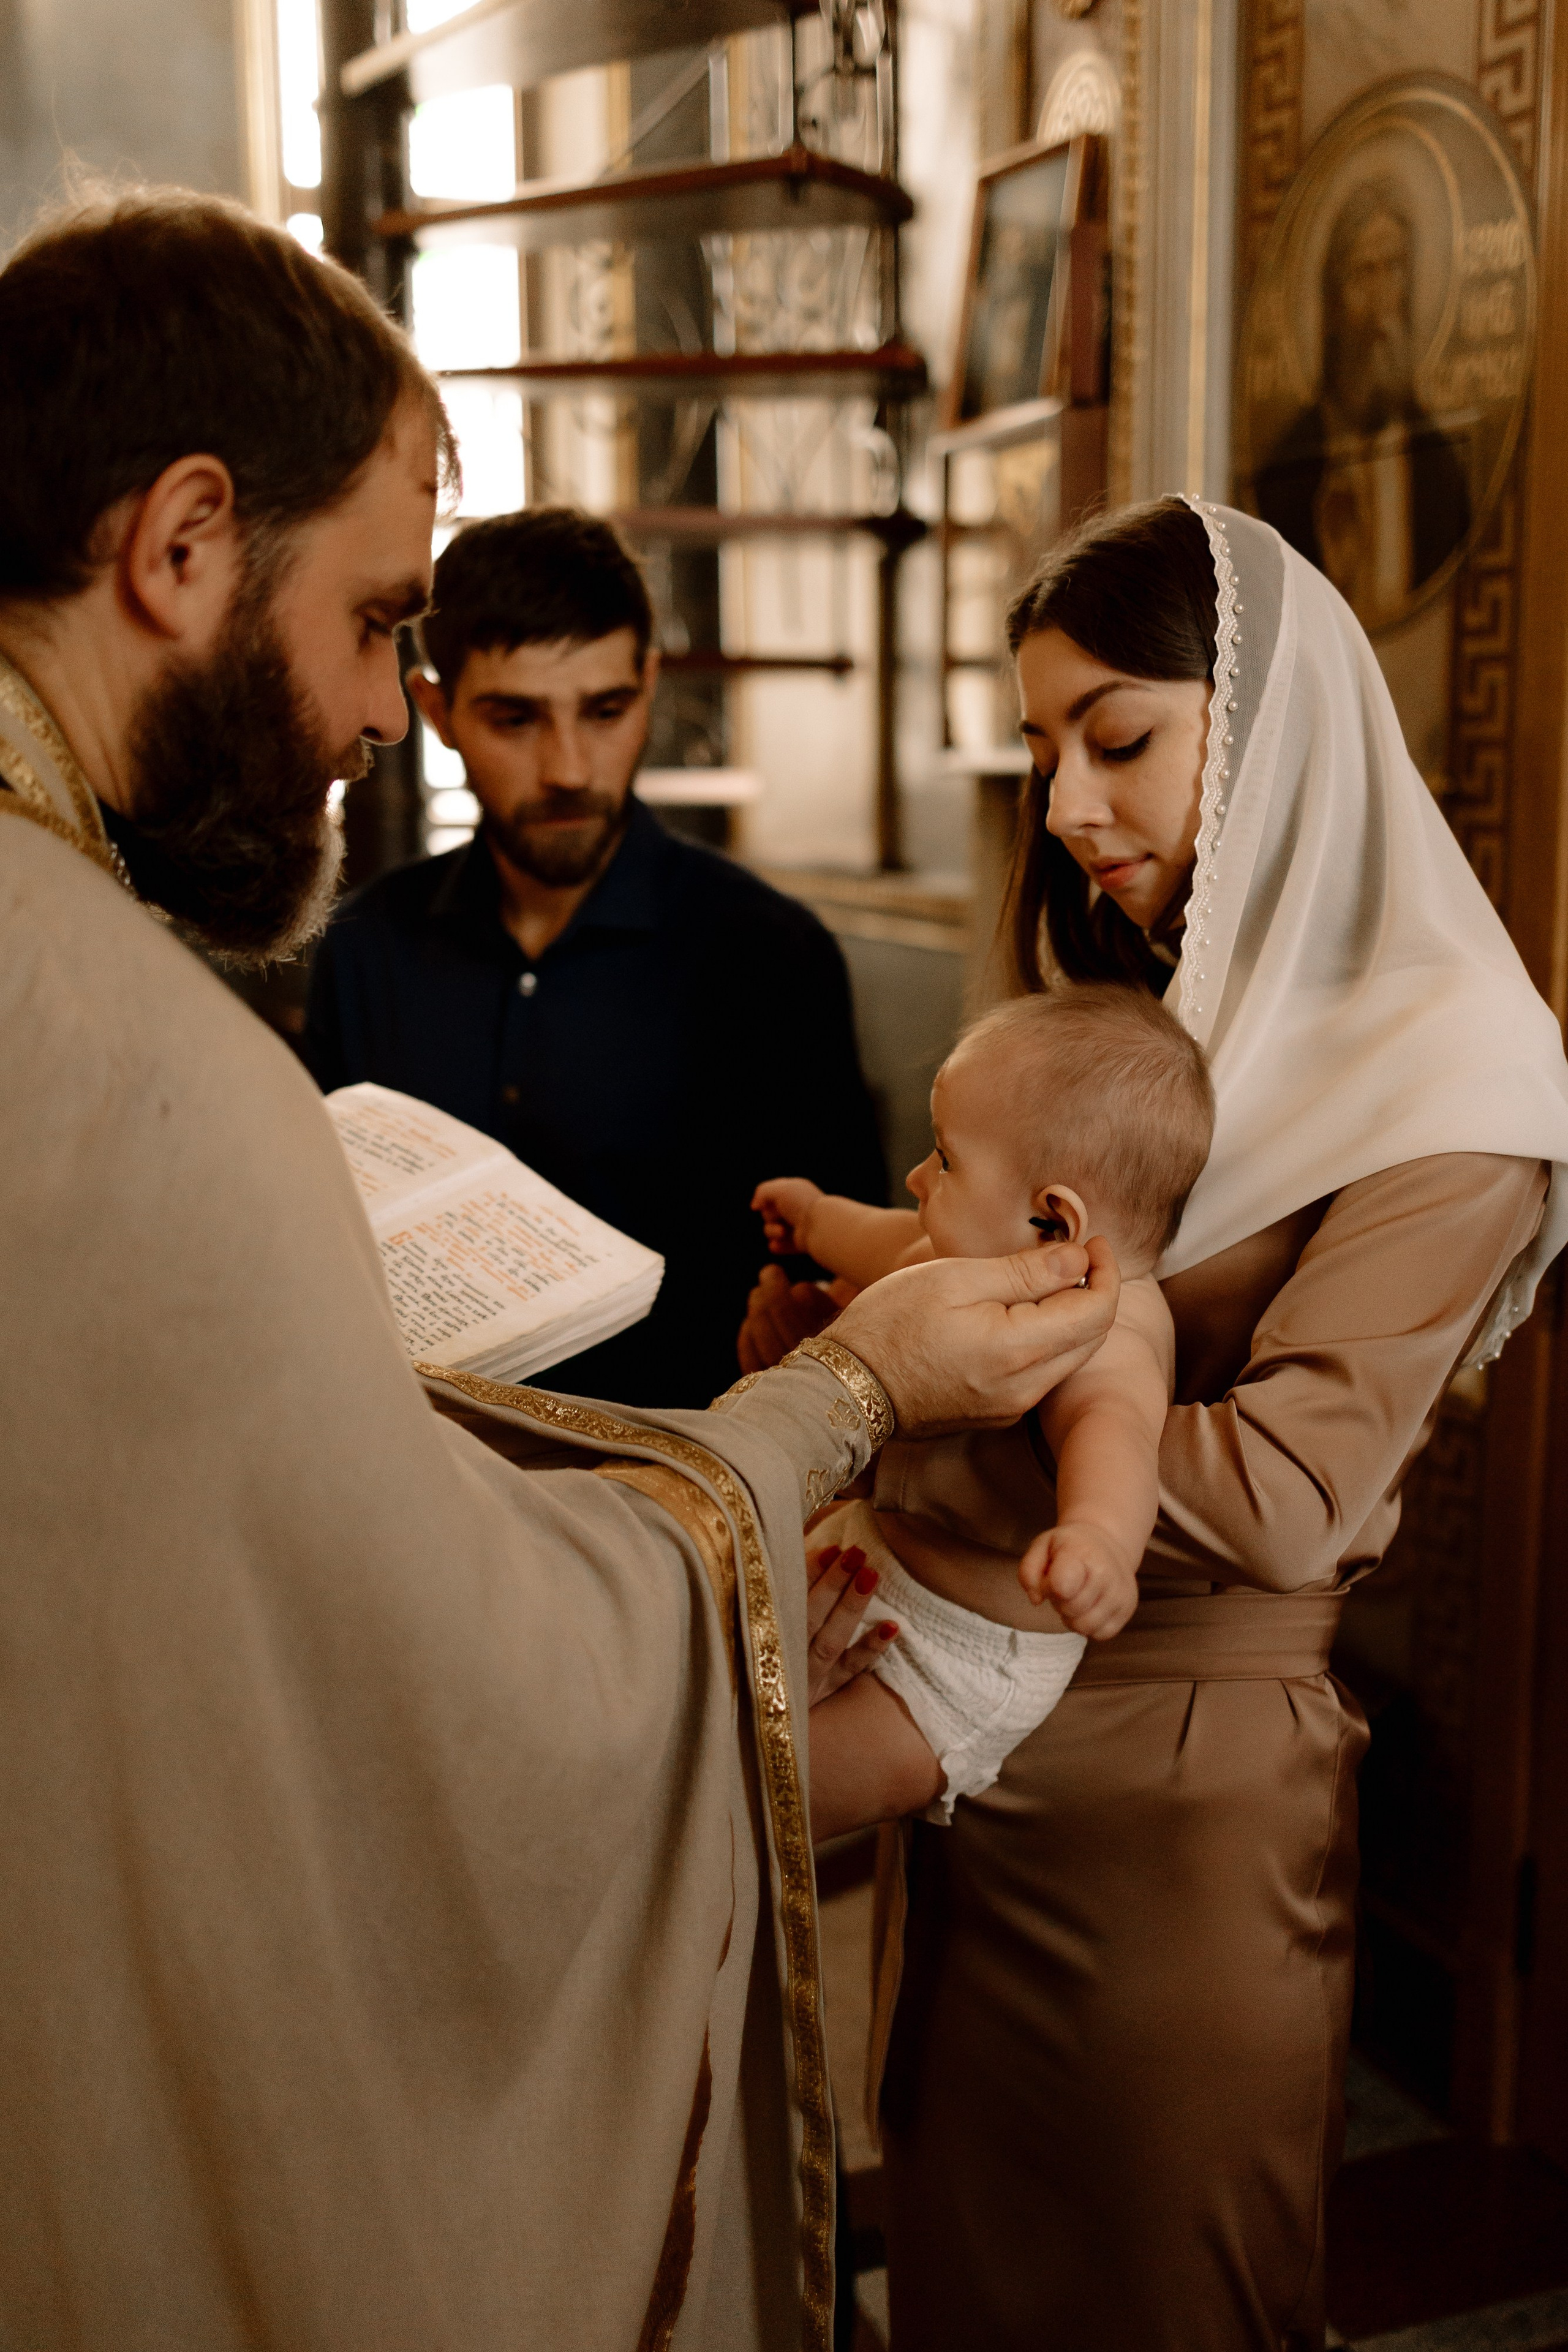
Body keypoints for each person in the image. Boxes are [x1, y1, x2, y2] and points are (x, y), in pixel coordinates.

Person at [0, 190, 1125, 2351]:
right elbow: (474, 1691)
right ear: (184, 544)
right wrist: (852, 1399)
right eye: (375, 624)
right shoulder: (137, 1041)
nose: (370, 722)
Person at [744, 496, 1568, 2350]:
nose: (1063, 802)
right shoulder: (1151, 1005)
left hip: (1181, 1787)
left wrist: (913, 1393)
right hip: (978, 1726)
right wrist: (844, 1348)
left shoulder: (1460, 1078)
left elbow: (1284, 1494)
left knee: (1163, 2281)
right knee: (963, 2254)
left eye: (1117, 738)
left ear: (1273, 736)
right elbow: (959, 1266)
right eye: (1043, 745)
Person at [303, 506, 886, 1406]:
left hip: (687, 1494)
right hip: (421, 1475)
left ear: (649, 685)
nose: (570, 766)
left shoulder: (771, 957)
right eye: (515, 719)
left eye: (606, 710)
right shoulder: (363, 948)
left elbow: (855, 1288)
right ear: (436, 709)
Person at [753, 986, 1215, 1839]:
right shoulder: (961, 1248)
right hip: (864, 1554)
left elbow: (1113, 1435)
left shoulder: (1108, 1328)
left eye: (946, 1159)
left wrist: (1100, 1541)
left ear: (1053, 1218)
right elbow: (878, 1237)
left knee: (760, 1801)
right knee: (694, 1723)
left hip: (952, 1661)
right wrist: (815, 1217)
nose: (918, 1178)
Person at [1254, 175, 1471, 631]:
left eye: (1393, 270)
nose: (1380, 305)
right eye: (1363, 273)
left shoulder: (1442, 473)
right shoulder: (1284, 477)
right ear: (1331, 303)